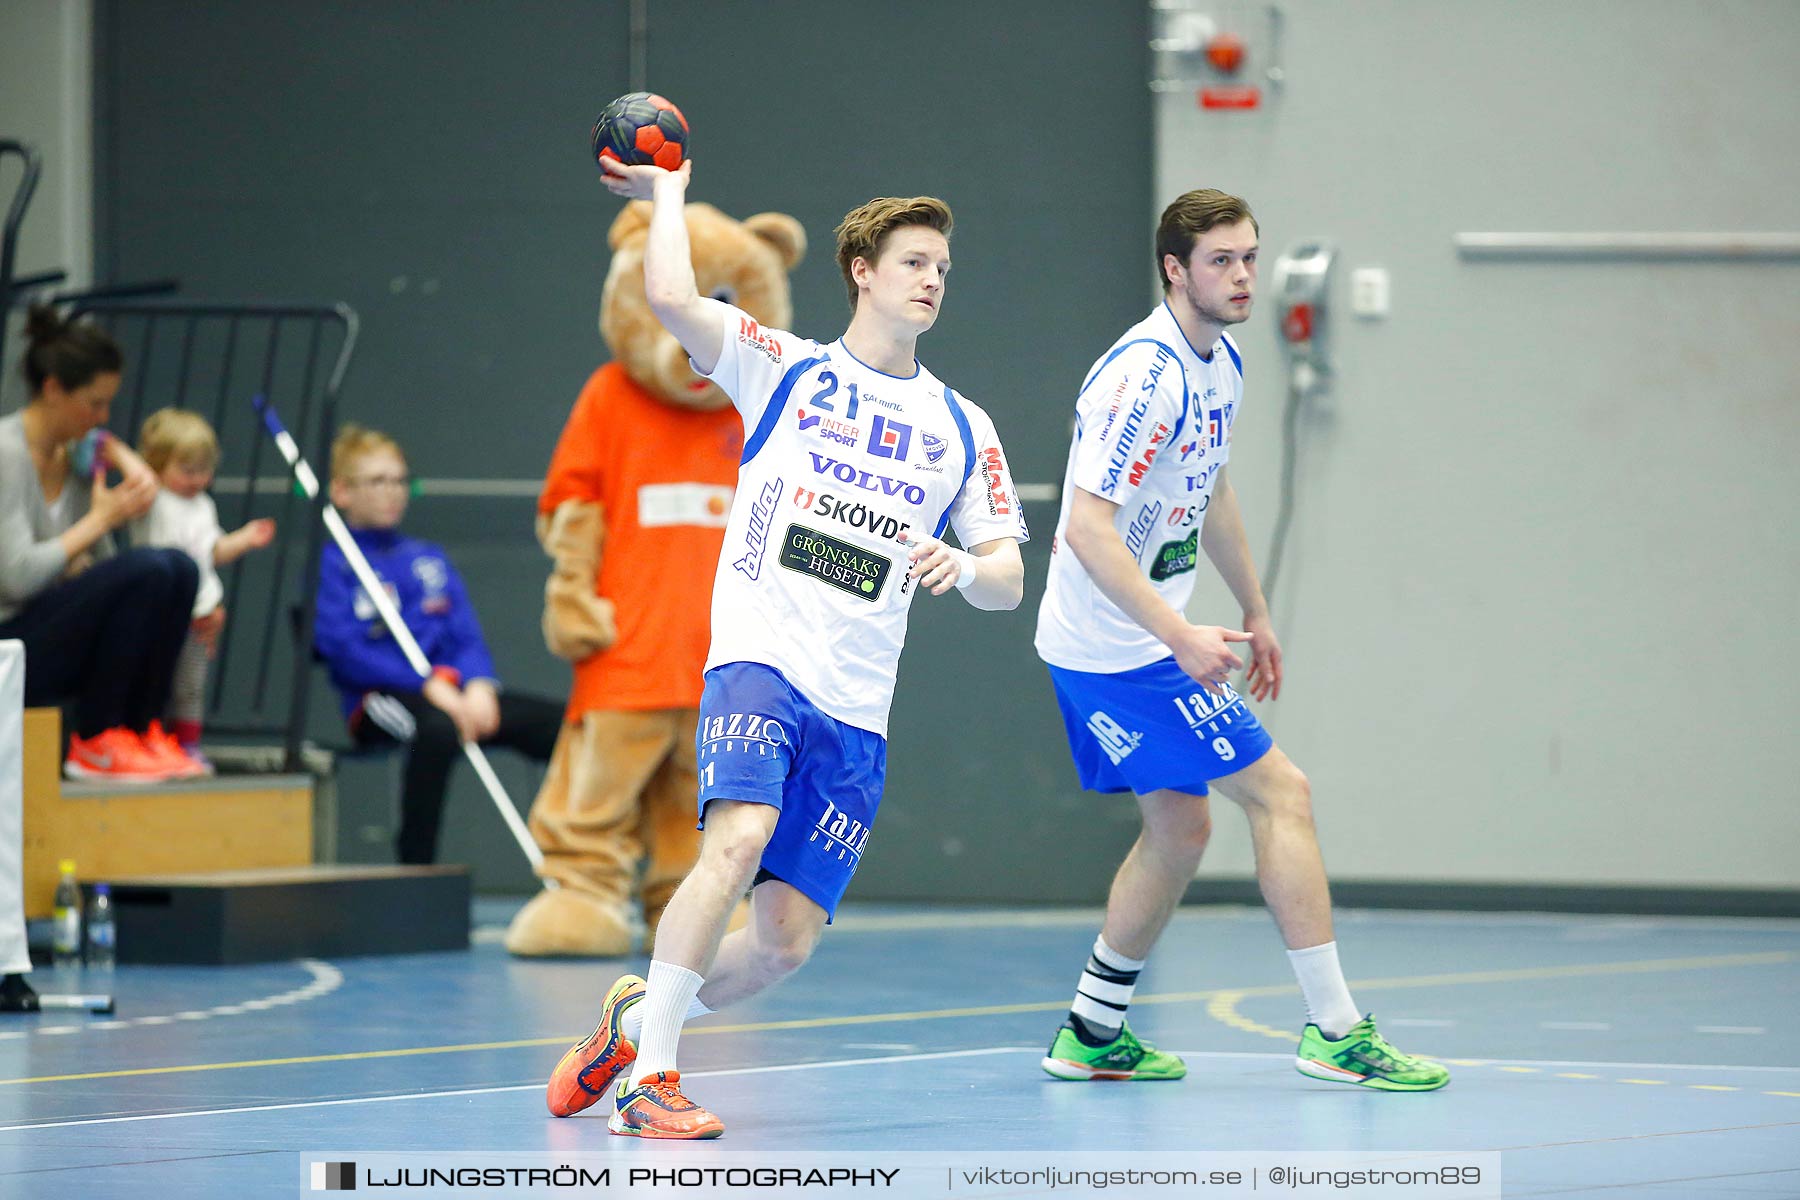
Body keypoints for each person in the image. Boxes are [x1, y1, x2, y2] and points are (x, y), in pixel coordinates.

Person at [544, 157, 1027, 1139]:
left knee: (781, 946)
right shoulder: (788, 366)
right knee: (738, 840)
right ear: (861, 269)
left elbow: (1009, 578)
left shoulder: (959, 427)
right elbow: (673, 295)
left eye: (943, 266)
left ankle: (635, 1021)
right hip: (760, 659)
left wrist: (963, 568)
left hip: (857, 708)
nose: (933, 279)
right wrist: (667, 192)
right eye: (914, 262)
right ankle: (652, 1085)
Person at [1033, 189, 1449, 1091]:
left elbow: (1209, 490)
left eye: (1250, 257)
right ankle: (1335, 1032)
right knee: (1281, 794)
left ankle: (1092, 1031)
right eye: (1222, 260)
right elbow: (1087, 528)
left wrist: (1254, 608)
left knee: (1181, 831)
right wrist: (1179, 632)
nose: (1243, 276)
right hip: (1114, 644)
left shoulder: (1218, 365)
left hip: (1139, 636)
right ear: (1175, 270)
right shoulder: (1142, 376)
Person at [311, 424, 563, 865]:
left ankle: (579, 861)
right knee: (437, 732)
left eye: (399, 480)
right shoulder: (335, 562)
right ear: (342, 491)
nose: (392, 492)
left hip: (453, 691)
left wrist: (480, 684)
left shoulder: (428, 558)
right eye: (376, 481)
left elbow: (463, 633)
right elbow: (343, 650)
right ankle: (417, 871)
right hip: (379, 700)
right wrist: (425, 685)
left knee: (566, 726)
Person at [0, 306, 204, 782]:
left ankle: (137, 733)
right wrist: (98, 521)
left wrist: (129, 470)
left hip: (47, 627)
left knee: (178, 569)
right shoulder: (7, 452)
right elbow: (17, 577)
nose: (102, 417)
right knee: (152, 570)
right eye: (94, 404)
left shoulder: (75, 455)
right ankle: (96, 740)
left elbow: (111, 579)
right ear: (52, 389)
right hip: (10, 644)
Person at [132, 408, 277, 763]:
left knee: (191, 686)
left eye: (205, 470)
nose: (197, 479)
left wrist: (245, 538)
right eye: (187, 469)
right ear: (156, 464)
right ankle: (148, 739)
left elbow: (212, 552)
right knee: (154, 679)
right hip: (162, 612)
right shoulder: (151, 501)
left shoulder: (203, 505)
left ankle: (187, 746)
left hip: (201, 614)